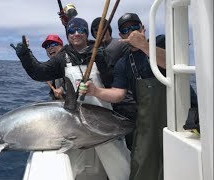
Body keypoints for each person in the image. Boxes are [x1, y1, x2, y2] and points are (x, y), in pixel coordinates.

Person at [14, 17, 131, 180]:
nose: (76, 34)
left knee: (119, 168)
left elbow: (115, 87)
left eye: (81, 30)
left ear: (86, 32)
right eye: (71, 30)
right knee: (75, 167)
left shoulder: (100, 54)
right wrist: (25, 56)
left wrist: (96, 90)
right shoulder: (62, 58)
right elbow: (39, 73)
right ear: (67, 34)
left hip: (102, 122)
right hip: (76, 126)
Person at [80, 13, 167, 180]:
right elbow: (118, 94)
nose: (131, 32)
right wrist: (95, 91)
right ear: (120, 36)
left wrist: (144, 46)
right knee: (140, 164)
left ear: (143, 28)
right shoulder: (124, 63)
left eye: (135, 27)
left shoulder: (161, 42)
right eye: (126, 30)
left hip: (179, 113)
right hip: (148, 120)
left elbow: (171, 63)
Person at [91, 17, 137, 150]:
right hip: (108, 103)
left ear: (109, 30)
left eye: (103, 28)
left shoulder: (119, 44)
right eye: (96, 30)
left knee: (131, 142)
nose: (100, 32)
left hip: (126, 102)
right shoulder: (95, 47)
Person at [41, 34, 65, 100]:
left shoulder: (70, 60)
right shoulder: (51, 66)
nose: (50, 48)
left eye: (53, 44)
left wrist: (63, 89)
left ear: (62, 46)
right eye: (47, 46)